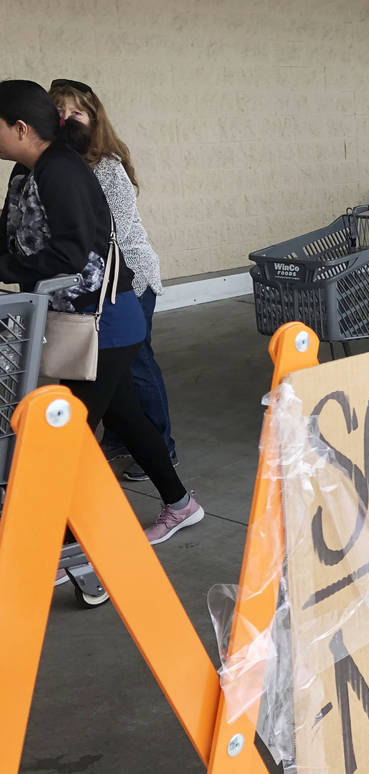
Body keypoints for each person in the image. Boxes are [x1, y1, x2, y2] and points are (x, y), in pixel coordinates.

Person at [0, 80, 203, 549]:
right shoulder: (23, 173)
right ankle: (180, 504)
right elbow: (9, 235)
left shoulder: (63, 172)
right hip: (77, 319)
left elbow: (72, 255)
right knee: (128, 417)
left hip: (104, 321)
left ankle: (67, 540)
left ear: (21, 128)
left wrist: (7, 269)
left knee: (67, 430)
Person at [48, 79, 177, 482]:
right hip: (97, 284)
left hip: (129, 279)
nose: (67, 120)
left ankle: (162, 447)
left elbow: (116, 233)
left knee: (137, 367)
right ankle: (123, 438)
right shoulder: (57, 166)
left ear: (93, 119)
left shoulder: (106, 166)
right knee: (113, 374)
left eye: (77, 113)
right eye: (59, 113)